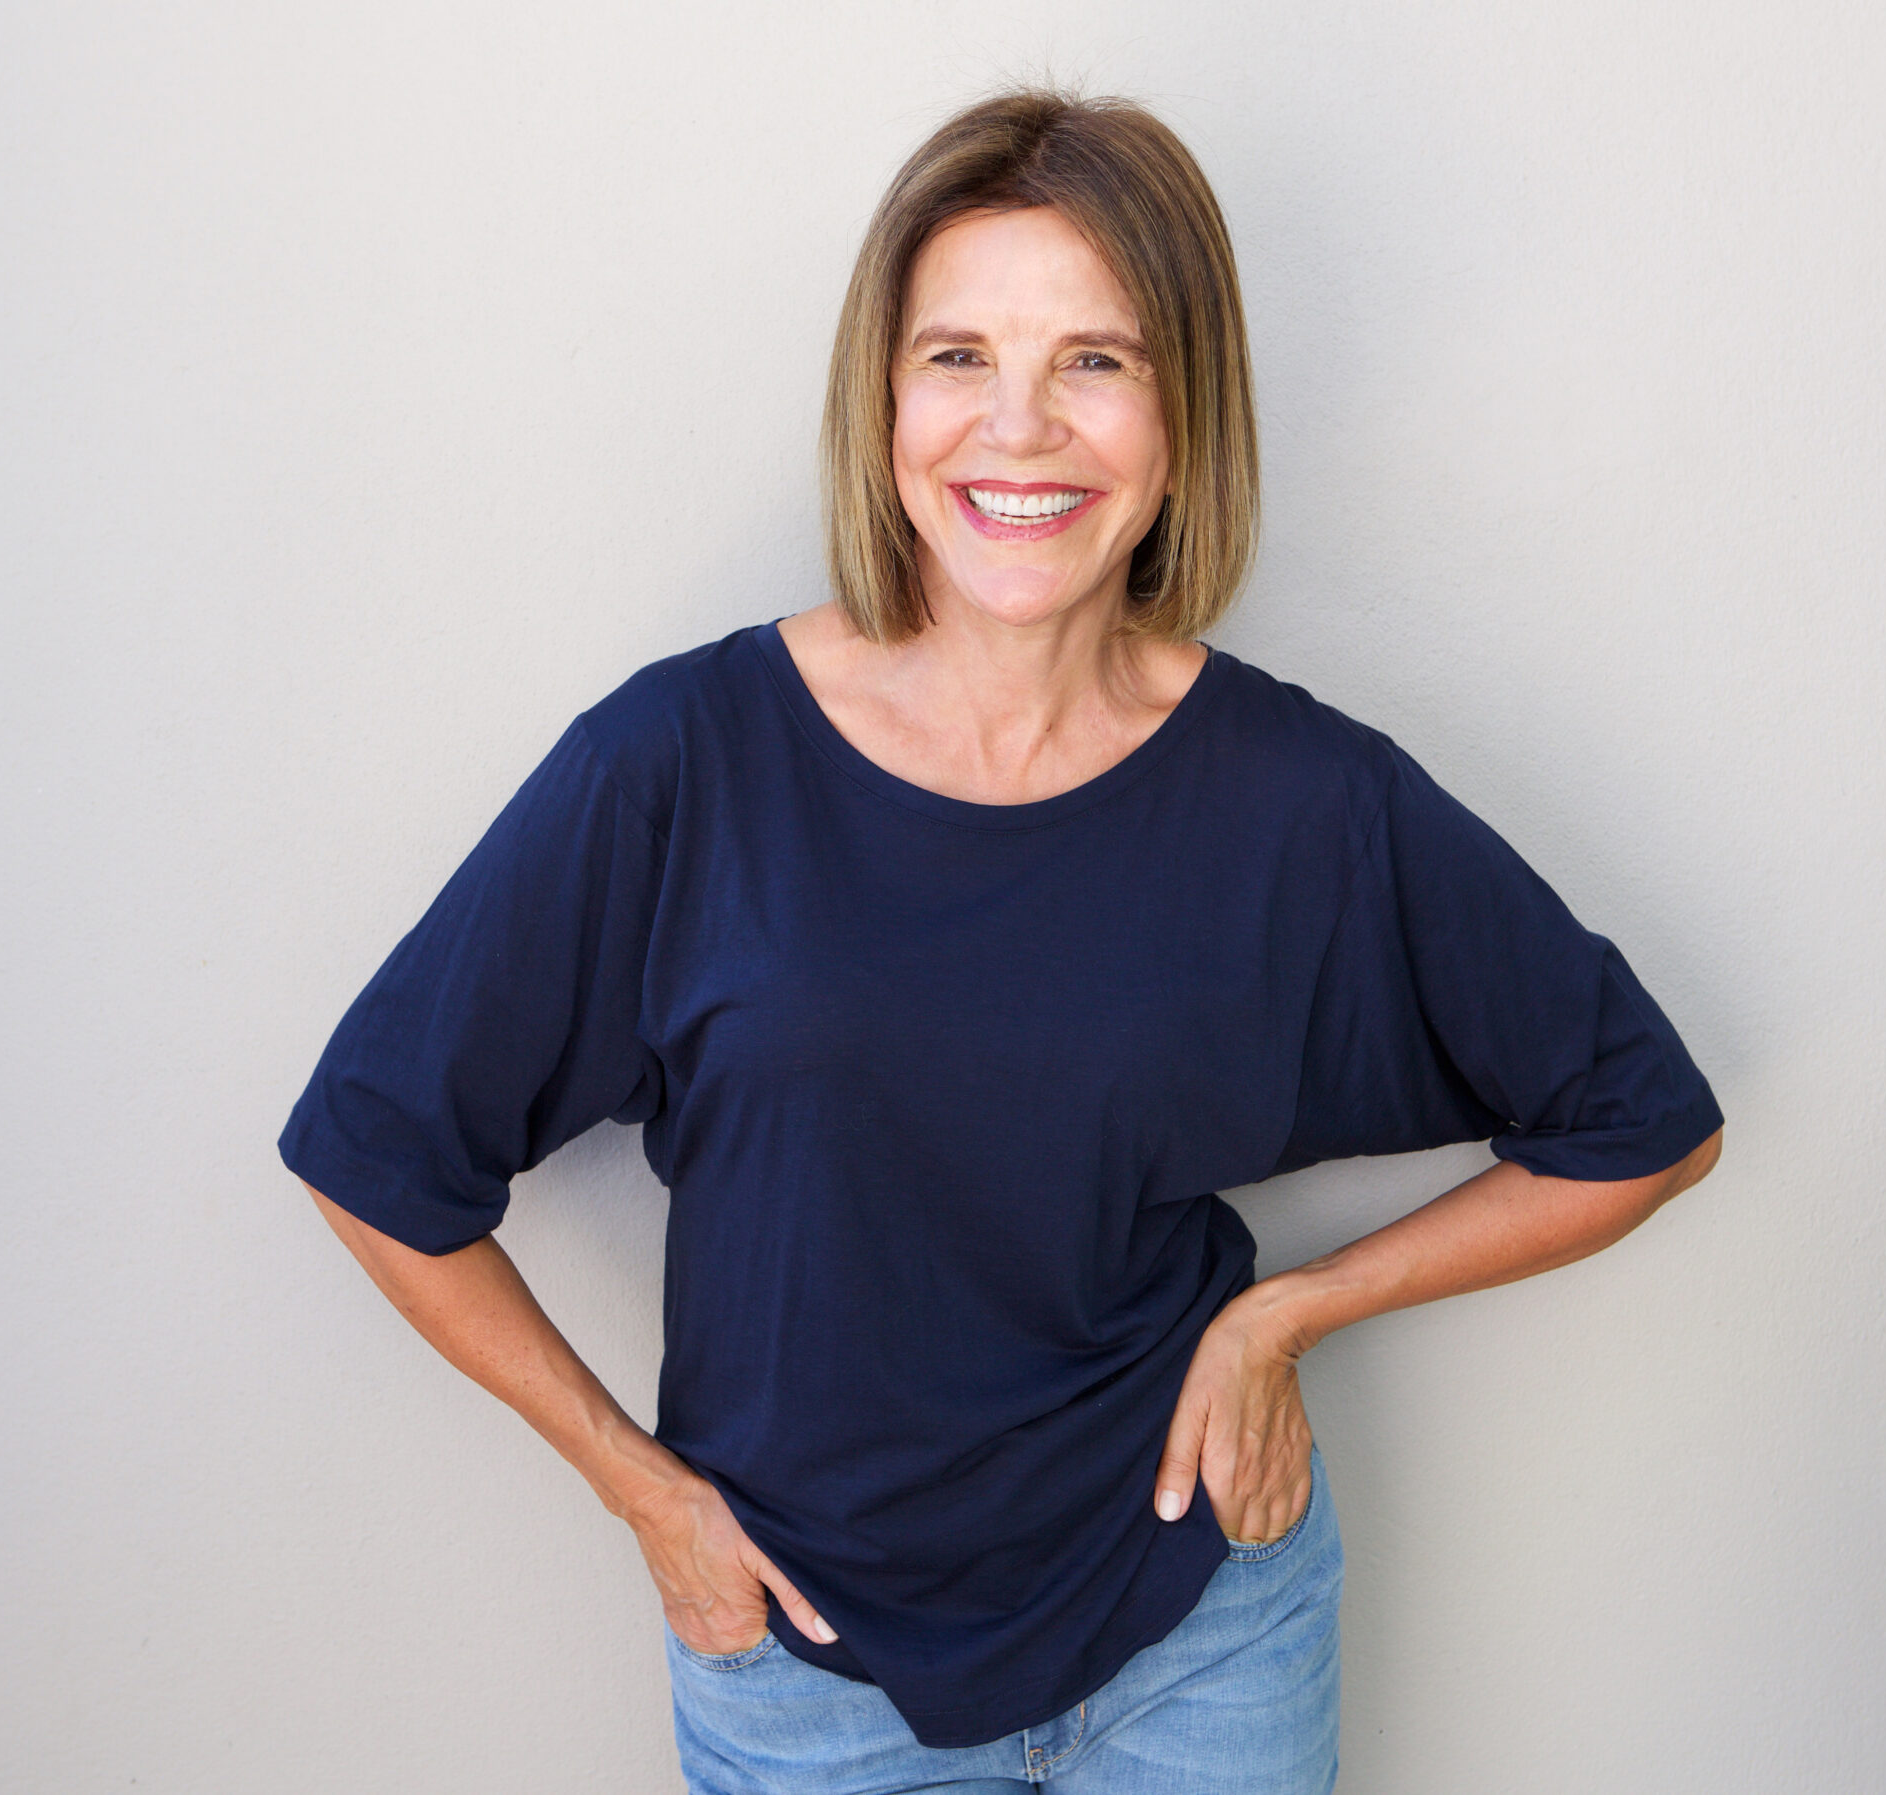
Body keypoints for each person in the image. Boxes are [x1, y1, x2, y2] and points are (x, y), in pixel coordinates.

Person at [279, 87, 1724, 1794]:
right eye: (958, 357)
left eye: (1096, 361)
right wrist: (641, 1490)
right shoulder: (681, 767)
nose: (1019, 430)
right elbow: (375, 1152)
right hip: (808, 1676)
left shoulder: (1300, 799)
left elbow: (1646, 1121)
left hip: (1215, 1636)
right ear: (883, 404)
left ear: (1185, 412)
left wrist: (1289, 1315)